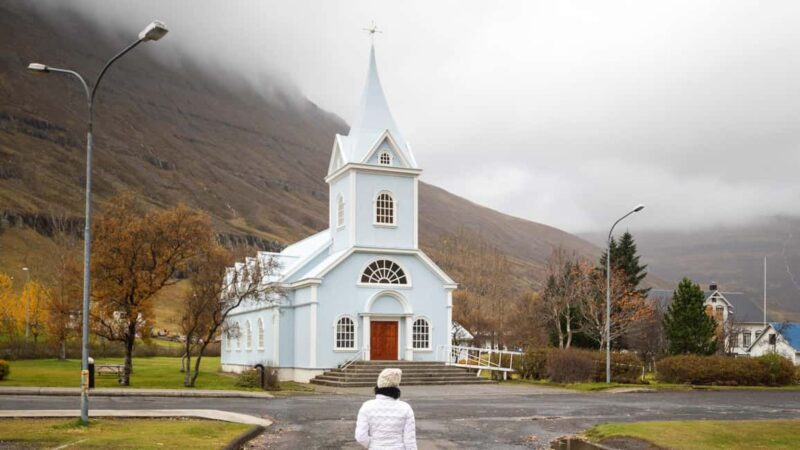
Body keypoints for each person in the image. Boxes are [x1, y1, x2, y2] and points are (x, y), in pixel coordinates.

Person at [355, 368, 417, 449]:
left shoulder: (367, 406)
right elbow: (410, 441)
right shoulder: (406, 408)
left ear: (379, 384)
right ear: (397, 386)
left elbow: (360, 437)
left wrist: (374, 445)